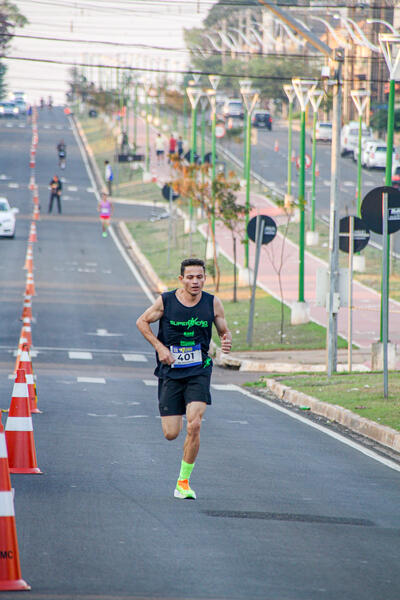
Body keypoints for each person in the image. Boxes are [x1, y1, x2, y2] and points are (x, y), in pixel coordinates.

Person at [136, 258, 232, 500]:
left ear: (204, 279)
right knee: (171, 433)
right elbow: (142, 322)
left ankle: (183, 482)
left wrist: (226, 338)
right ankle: (179, 435)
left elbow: (223, 330)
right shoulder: (166, 301)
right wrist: (160, 347)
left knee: (195, 424)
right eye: (190, 277)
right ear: (181, 279)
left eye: (199, 277)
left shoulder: (213, 303)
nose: (195, 281)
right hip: (171, 371)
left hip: (199, 370)